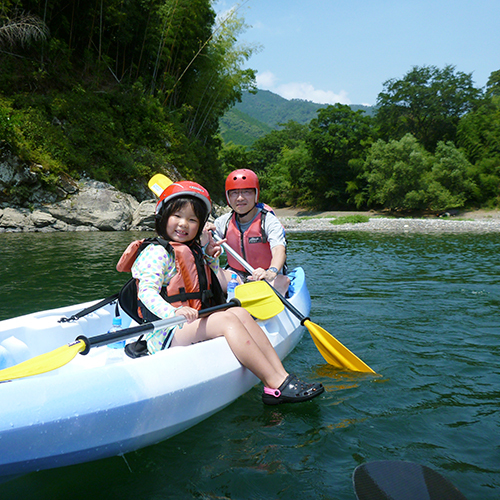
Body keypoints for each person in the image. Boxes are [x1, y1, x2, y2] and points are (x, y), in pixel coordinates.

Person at [129, 180, 324, 405]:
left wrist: (210, 257)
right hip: (165, 331)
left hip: (188, 321)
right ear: (162, 217)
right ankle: (275, 383)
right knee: (226, 321)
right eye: (177, 216)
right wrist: (175, 312)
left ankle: (281, 376)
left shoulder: (191, 249)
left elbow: (207, 281)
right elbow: (146, 293)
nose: (184, 224)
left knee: (240, 314)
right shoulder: (156, 252)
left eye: (192, 220)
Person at [212, 169, 290, 295]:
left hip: (266, 276)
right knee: (209, 275)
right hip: (236, 276)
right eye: (234, 193)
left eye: (246, 192)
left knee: (282, 282)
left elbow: (279, 249)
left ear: (256, 195)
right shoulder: (223, 222)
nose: (240, 198)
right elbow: (206, 246)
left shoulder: (268, 221)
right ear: (228, 197)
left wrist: (271, 271)